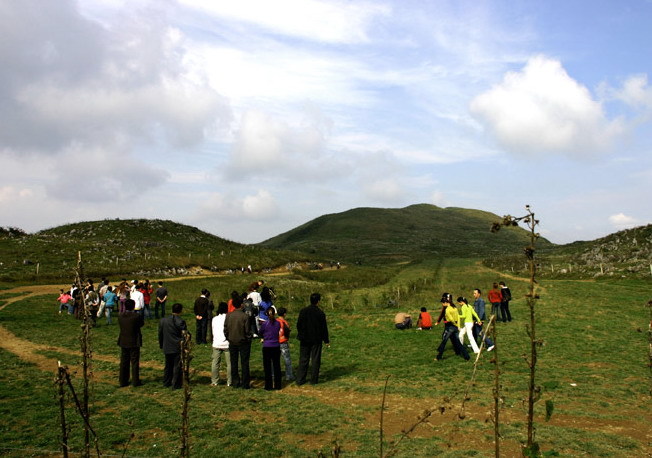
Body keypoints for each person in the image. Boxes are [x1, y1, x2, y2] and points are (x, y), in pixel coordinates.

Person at [296, 293, 330, 385]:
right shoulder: (320, 313)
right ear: (318, 301)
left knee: (303, 359)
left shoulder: (303, 311)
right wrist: (326, 340)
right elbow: (324, 328)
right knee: (315, 359)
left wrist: (301, 334)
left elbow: (298, 324)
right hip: (316, 339)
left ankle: (300, 379)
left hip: (304, 338)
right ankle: (314, 380)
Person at [224, 295, 253, 389]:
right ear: (241, 305)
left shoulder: (229, 315)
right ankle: (245, 383)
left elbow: (225, 329)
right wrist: (248, 338)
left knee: (234, 362)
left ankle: (235, 382)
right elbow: (247, 331)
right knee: (244, 363)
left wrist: (228, 337)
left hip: (232, 341)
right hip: (243, 342)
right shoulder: (245, 316)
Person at [158, 303, 188, 389]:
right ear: (180, 310)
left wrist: (161, 344)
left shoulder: (163, 320)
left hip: (167, 345)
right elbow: (185, 334)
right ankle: (176, 384)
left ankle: (166, 381)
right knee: (177, 366)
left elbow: (160, 334)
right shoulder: (180, 321)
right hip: (177, 346)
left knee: (168, 365)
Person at [434, 293, 469, 361]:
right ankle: (466, 356)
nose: (442, 305)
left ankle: (439, 356)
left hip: (450, 327)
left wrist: (454, 324)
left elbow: (451, 319)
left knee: (444, 341)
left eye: (442, 303)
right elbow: (458, 318)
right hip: (455, 327)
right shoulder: (455, 308)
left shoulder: (447, 310)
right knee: (457, 342)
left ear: (446, 303)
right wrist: (458, 326)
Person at [117, 299, 144, 387]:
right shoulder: (136, 316)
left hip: (124, 340)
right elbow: (141, 324)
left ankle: (123, 380)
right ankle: (135, 381)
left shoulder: (120, 315)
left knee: (124, 361)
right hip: (134, 340)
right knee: (134, 361)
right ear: (133, 306)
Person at [259, 307, 282, 390]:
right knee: (276, 366)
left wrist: (264, 337)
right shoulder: (278, 323)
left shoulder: (265, 324)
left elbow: (260, 332)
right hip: (276, 345)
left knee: (267, 367)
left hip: (267, 346)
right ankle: (278, 385)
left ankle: (268, 385)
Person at [211, 302, 231, 386]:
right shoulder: (229, 318)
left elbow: (213, 330)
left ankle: (214, 381)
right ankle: (229, 381)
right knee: (229, 363)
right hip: (227, 343)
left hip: (216, 342)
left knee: (215, 363)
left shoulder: (214, 319)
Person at [276, 307, 294, 382]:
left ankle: (274, 374)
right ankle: (289, 375)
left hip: (275, 342)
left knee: (275, 360)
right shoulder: (285, 323)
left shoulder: (274, 321)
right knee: (287, 359)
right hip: (283, 342)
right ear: (284, 314)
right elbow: (287, 332)